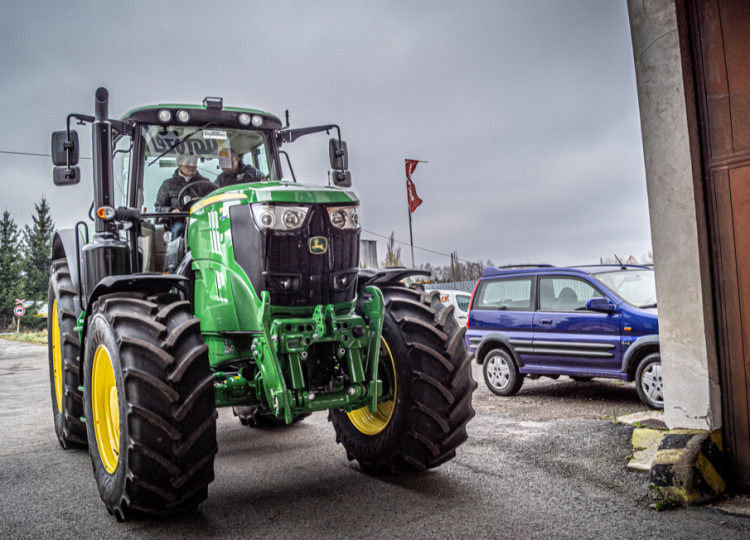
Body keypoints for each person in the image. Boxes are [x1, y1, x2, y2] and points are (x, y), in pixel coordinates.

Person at [155, 153, 213, 238]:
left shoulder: (206, 184)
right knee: (178, 229)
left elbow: (214, 201)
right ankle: (176, 251)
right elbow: (158, 207)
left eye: (194, 162)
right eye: (188, 163)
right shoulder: (168, 185)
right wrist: (171, 211)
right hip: (178, 221)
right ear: (180, 165)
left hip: (202, 220)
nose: (191, 166)